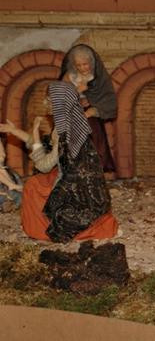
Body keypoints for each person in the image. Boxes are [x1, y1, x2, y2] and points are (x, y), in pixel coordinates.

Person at [0, 81, 118, 243]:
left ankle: (42, 230)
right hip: (78, 181)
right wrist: (15, 131)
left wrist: (35, 133)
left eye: (49, 100)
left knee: (33, 185)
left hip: (75, 189)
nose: (45, 103)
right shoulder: (74, 123)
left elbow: (43, 164)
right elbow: (47, 149)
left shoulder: (65, 132)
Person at [60, 44, 117, 174]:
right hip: (73, 115)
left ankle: (95, 172)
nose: (82, 68)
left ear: (91, 62)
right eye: (78, 65)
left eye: (85, 64)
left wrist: (92, 106)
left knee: (96, 143)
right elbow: (62, 97)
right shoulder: (70, 76)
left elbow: (106, 98)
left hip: (91, 116)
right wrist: (77, 91)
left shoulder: (98, 77)